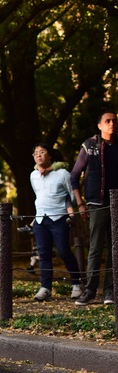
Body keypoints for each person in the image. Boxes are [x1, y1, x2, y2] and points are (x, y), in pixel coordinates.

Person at [71, 109, 118, 306]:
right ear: (99, 125)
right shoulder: (90, 145)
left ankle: (109, 291)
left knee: (115, 248)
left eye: (114, 121)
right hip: (96, 203)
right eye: (107, 121)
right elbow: (74, 175)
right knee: (96, 247)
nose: (112, 123)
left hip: (116, 203)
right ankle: (90, 290)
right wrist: (80, 203)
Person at [30, 143, 82, 301]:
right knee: (43, 254)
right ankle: (45, 287)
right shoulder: (33, 175)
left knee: (64, 251)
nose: (39, 155)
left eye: (42, 152)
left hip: (58, 218)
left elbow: (71, 195)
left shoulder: (62, 173)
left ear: (50, 155)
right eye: (36, 153)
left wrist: (68, 209)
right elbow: (38, 194)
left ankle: (77, 284)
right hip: (40, 219)